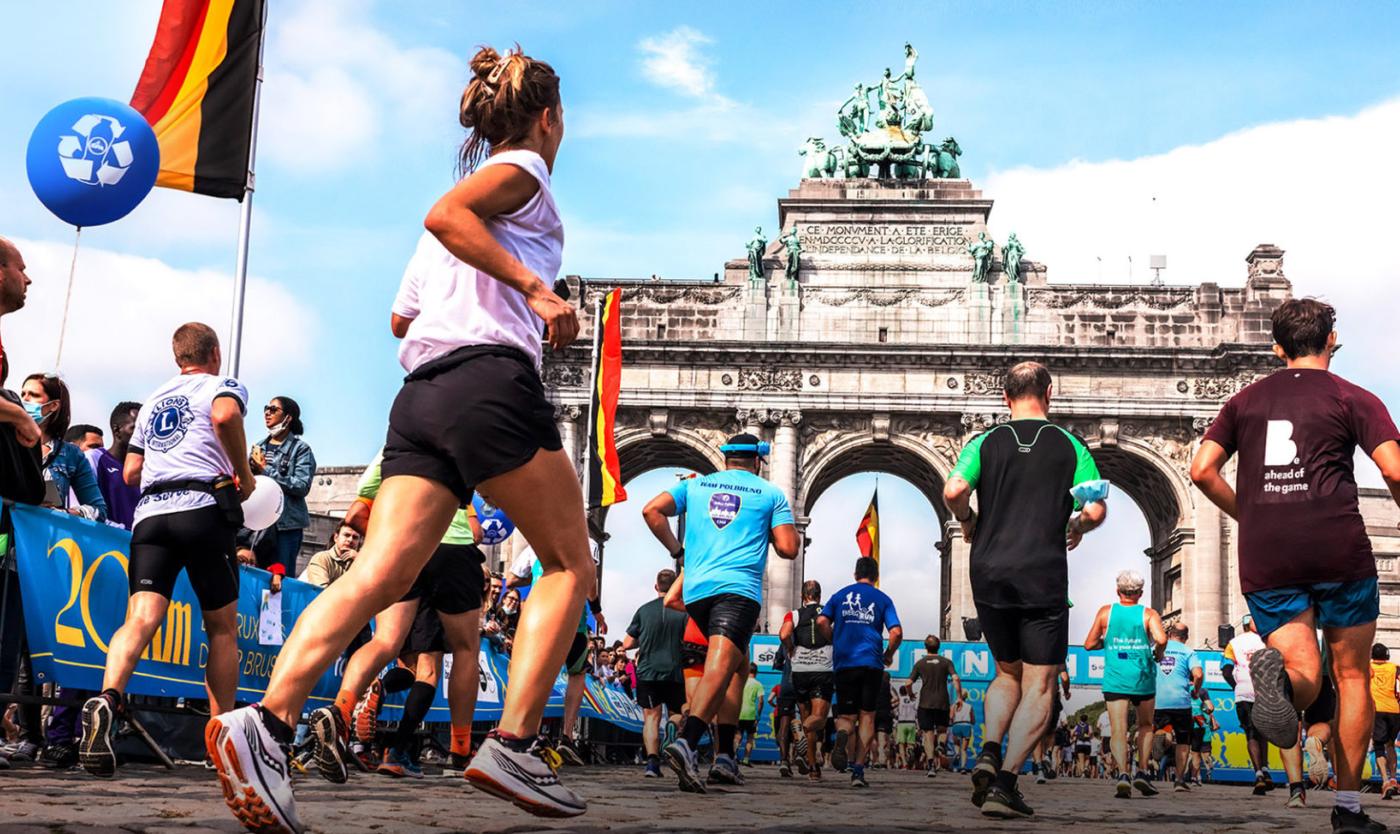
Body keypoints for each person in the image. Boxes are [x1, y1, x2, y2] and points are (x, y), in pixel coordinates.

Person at [209, 45, 593, 829]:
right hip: (489, 381)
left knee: (378, 575)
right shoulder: (525, 169)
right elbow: (446, 215)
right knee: (569, 563)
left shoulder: (467, 217)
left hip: (422, 395)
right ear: (550, 117)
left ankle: (267, 724)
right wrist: (536, 291)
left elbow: (401, 316)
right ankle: (515, 744)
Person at [1190, 298, 1400, 834]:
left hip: (1268, 553)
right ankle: (1348, 808)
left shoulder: (1242, 401)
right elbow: (1395, 470)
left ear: (1276, 348)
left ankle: (1280, 683)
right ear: (1332, 339)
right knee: (1350, 676)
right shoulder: (1354, 396)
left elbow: (1202, 470)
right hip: (1338, 546)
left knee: (1301, 670)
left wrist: (1251, 514)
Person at [80, 324, 253, 778]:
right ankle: (220, 741)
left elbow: (131, 471)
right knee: (222, 630)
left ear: (178, 358)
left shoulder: (155, 398)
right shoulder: (222, 384)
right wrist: (244, 473)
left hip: (152, 514)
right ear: (215, 352)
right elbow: (225, 417)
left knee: (139, 619)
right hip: (202, 507)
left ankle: (108, 697)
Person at [943, 361, 1108, 817]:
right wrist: (1076, 525)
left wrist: (967, 518)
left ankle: (988, 750)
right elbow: (1095, 510)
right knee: (1040, 683)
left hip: (989, 571)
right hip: (1042, 573)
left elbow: (954, 490)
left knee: (1006, 672)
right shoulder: (1071, 445)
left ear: (1005, 397)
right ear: (1049, 393)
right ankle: (1006, 783)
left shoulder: (983, 442)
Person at [306, 449, 486, 783]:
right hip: (451, 545)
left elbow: (362, 496)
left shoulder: (401, 438)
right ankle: (458, 749)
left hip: (403, 543)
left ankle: (341, 712)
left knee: (385, 640)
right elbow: (479, 527)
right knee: (461, 652)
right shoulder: (463, 436)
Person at [645, 432, 799, 793]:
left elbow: (651, 510)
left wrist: (678, 552)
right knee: (720, 666)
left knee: (739, 666)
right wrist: (768, 530)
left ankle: (726, 756)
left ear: (726, 459)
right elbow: (789, 548)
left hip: (697, 592)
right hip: (738, 591)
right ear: (757, 461)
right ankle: (688, 741)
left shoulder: (695, 485)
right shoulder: (770, 493)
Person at [506, 543, 606, 766]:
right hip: (573, 617)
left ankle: (531, 735)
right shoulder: (587, 542)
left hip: (540, 614)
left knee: (537, 674)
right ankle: (567, 737)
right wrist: (596, 609)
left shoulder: (534, 545)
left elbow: (510, 579)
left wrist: (538, 579)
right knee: (577, 674)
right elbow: (590, 579)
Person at [817, 556, 903, 788]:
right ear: (876, 577)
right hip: (872, 664)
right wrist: (888, 654)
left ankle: (843, 734)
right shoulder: (883, 599)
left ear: (855, 574)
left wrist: (835, 640)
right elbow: (896, 632)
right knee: (867, 716)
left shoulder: (839, 595)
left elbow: (821, 621)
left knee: (846, 716)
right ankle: (858, 770)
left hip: (845, 663)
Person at [1084, 570, 1165, 799]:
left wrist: (1107, 643)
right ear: (1140, 593)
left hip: (1115, 678)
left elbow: (1089, 644)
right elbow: (1161, 639)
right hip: (1142, 678)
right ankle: (1142, 772)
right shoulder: (1148, 614)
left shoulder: (1105, 612)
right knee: (1145, 725)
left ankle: (1122, 774)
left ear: (1117, 591)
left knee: (1118, 730)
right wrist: (1159, 653)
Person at [621, 568, 687, 778]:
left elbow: (627, 643)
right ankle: (672, 726)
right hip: (676, 671)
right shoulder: (684, 611)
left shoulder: (644, 610)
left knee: (651, 717)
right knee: (678, 712)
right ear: (677, 586)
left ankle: (652, 763)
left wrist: (644, 639)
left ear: (656, 586)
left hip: (648, 671)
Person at [22, 374, 107, 521]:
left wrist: (64, 513)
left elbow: (99, 511)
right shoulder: (6, 441)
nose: (25, 400)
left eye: (34, 395)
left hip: (43, 533)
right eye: (23, 394)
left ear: (54, 405)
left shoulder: (71, 454)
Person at [250, 395, 316, 577]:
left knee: (280, 578)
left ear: (288, 417)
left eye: (273, 409)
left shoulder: (300, 449)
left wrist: (265, 470)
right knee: (253, 573)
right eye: (266, 408)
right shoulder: (258, 447)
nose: (267, 413)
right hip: (258, 523)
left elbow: (302, 485)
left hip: (285, 527)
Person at [781, 579, 834, 781]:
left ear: (803, 596)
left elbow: (784, 634)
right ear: (819, 596)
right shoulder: (829, 612)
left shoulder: (794, 614)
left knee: (806, 716)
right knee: (818, 718)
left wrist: (790, 649)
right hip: (822, 669)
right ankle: (802, 732)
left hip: (800, 670)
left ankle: (813, 768)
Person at [1223, 615, 1275, 795]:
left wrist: (1237, 686)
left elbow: (1226, 670)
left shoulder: (1233, 643)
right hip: (1265, 692)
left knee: (1251, 733)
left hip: (1244, 693)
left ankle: (1258, 773)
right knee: (1263, 732)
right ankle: (1266, 770)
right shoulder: (1267, 640)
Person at [1152, 622, 1203, 794]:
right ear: (1186, 637)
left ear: (1169, 634)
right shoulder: (1188, 652)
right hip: (1181, 702)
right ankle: (1180, 780)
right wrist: (1195, 691)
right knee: (1183, 741)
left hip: (1158, 700)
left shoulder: (1156, 648)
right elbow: (1198, 674)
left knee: (1158, 730)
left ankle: (1163, 738)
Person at [909, 634, 963, 777]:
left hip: (925, 702)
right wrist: (959, 697)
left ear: (925, 647)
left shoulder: (920, 663)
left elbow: (908, 683)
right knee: (942, 729)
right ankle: (941, 745)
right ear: (939, 646)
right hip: (942, 701)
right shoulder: (946, 662)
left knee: (927, 734)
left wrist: (910, 694)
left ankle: (931, 765)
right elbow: (956, 678)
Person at [85, 402, 143, 530]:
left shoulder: (149, 468)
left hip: (140, 540)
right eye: (135, 428)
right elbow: (86, 510)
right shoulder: (94, 458)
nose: (142, 435)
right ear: (117, 430)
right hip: (106, 540)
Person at [1371, 644, 1400, 799]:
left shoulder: (1368, 668)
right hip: (1395, 710)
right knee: (1390, 744)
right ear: (1387, 655)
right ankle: (1394, 778)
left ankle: (1385, 781)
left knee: (1378, 747)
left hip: (1378, 709)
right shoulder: (1394, 667)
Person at [301, 522, 362, 589]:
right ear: (336, 538)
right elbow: (321, 590)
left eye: (355, 537)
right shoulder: (322, 558)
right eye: (346, 535)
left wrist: (360, 560)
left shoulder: (358, 562)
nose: (350, 540)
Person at [738, 663, 765, 766]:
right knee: (750, 738)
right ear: (756, 672)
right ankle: (746, 759)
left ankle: (733, 757)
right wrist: (758, 715)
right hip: (751, 714)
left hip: (739, 713)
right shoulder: (758, 684)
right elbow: (761, 701)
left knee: (737, 736)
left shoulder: (741, 682)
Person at [895, 685, 919, 769]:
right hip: (911, 723)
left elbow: (896, 712)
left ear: (900, 692)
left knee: (901, 744)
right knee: (910, 743)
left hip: (902, 723)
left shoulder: (899, 700)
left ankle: (904, 763)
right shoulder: (913, 700)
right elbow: (916, 712)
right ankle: (910, 750)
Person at [950, 694, 975, 773]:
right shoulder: (969, 706)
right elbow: (973, 720)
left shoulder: (954, 706)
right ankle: (963, 767)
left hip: (956, 725)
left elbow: (951, 717)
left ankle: (957, 753)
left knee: (956, 744)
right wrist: (972, 722)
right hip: (966, 726)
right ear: (966, 697)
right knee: (964, 749)